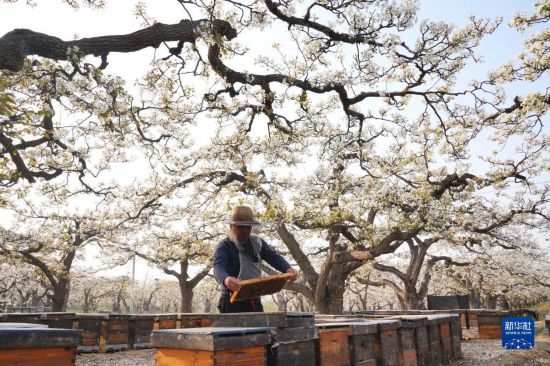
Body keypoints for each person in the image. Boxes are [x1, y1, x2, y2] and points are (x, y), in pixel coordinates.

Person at [213, 205, 299, 313]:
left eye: (248, 227)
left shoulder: (258, 243)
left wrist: (288, 269)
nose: (244, 230)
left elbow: (273, 257)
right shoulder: (225, 246)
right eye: (240, 227)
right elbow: (218, 267)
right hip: (231, 302)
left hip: (254, 301)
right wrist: (226, 279)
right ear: (232, 226)